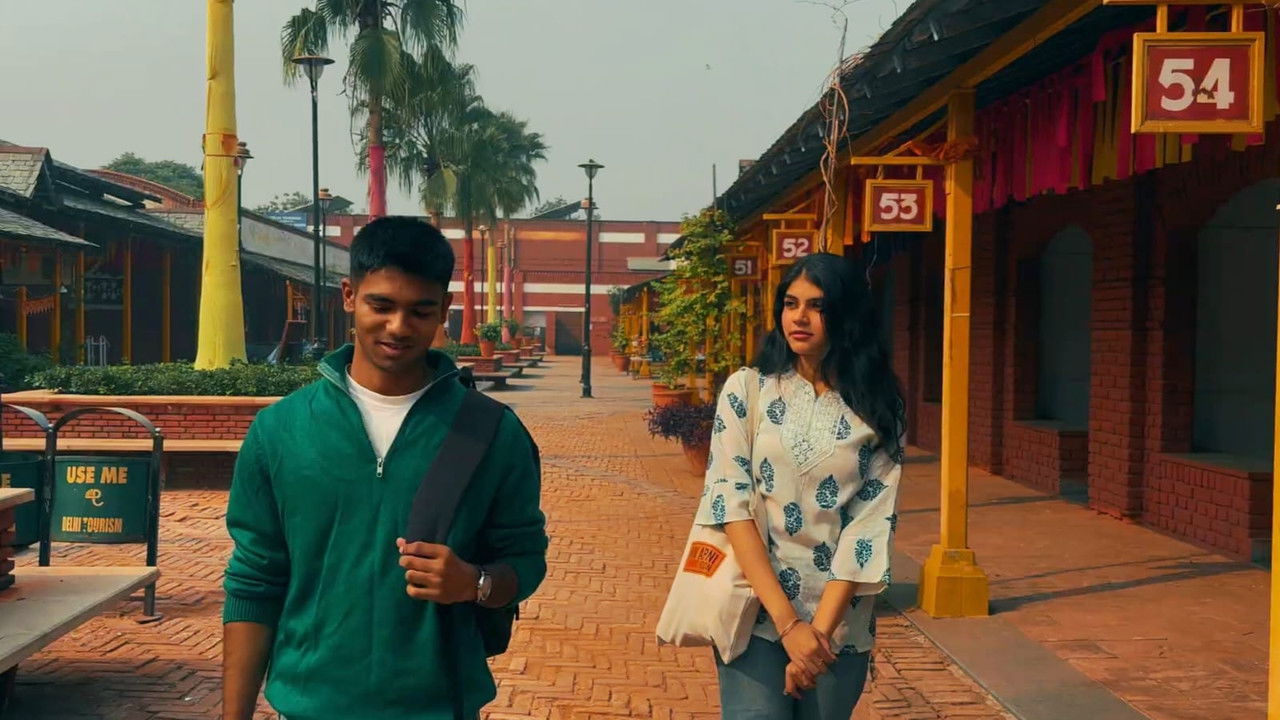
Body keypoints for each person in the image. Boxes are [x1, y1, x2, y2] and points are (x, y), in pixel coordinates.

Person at [221, 216, 548, 720]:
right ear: (349, 296)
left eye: (420, 310)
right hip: (309, 705)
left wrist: (475, 583)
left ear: (444, 309)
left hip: (440, 707)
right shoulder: (281, 430)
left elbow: (524, 559)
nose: (398, 327)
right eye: (382, 305)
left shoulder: (489, 432)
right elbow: (254, 581)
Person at [694, 252, 905, 719]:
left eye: (817, 306)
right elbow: (731, 504)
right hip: (752, 607)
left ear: (847, 315)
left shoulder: (879, 406)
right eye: (791, 304)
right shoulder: (747, 389)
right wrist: (790, 626)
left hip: (839, 622)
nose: (799, 317)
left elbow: (870, 525)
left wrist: (817, 637)